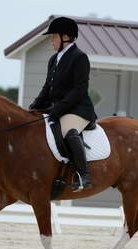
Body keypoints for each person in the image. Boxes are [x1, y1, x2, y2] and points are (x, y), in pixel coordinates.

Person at [29, 16, 97, 192]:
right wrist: (34, 107)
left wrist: (57, 109)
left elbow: (79, 90)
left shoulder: (79, 57)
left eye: (54, 37)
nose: (51, 40)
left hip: (78, 110)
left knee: (69, 132)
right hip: (58, 109)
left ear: (66, 37)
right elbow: (47, 87)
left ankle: (84, 175)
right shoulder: (54, 59)